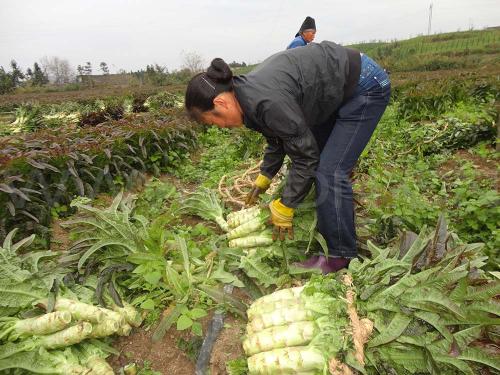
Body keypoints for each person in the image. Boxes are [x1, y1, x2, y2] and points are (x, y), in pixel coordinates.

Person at [185, 41, 391, 273]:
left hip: (365, 84)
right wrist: (266, 174)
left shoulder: (265, 100)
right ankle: (334, 219)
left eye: (217, 122)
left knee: (329, 171)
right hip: (336, 88)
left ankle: (340, 256)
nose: (223, 127)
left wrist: (287, 205)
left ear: (220, 103)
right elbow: (279, 134)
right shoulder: (245, 95)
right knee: (324, 162)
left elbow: (305, 157)